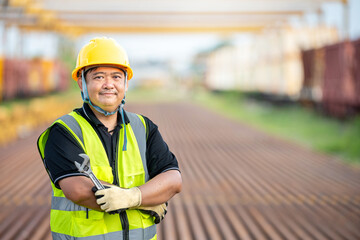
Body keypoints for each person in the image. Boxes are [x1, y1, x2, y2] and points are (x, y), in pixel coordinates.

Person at [37, 37, 182, 240]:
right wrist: (144, 200)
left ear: (126, 83)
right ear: (82, 83)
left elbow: (173, 180)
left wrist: (134, 196)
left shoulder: (143, 127)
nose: (108, 85)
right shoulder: (64, 131)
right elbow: (79, 189)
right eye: (98, 77)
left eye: (116, 77)